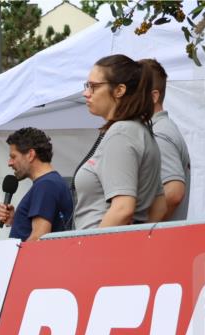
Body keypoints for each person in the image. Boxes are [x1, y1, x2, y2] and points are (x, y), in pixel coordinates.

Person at [73, 55, 166, 229]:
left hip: (100, 249)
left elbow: (123, 209)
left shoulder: (121, 133)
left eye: (93, 86)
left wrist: (92, 249)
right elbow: (159, 205)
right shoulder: (141, 131)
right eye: (87, 86)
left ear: (119, 90)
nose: (86, 93)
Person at [0, 127, 74, 241]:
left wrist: (15, 259)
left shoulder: (46, 185)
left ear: (30, 155)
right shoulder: (50, 183)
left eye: (13, 157)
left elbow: (38, 238)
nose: (9, 163)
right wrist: (15, 220)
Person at [140, 58, 191, 222]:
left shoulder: (157, 133)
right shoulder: (160, 129)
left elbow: (174, 193)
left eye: (134, 91)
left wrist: (141, 230)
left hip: (156, 242)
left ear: (153, 96)